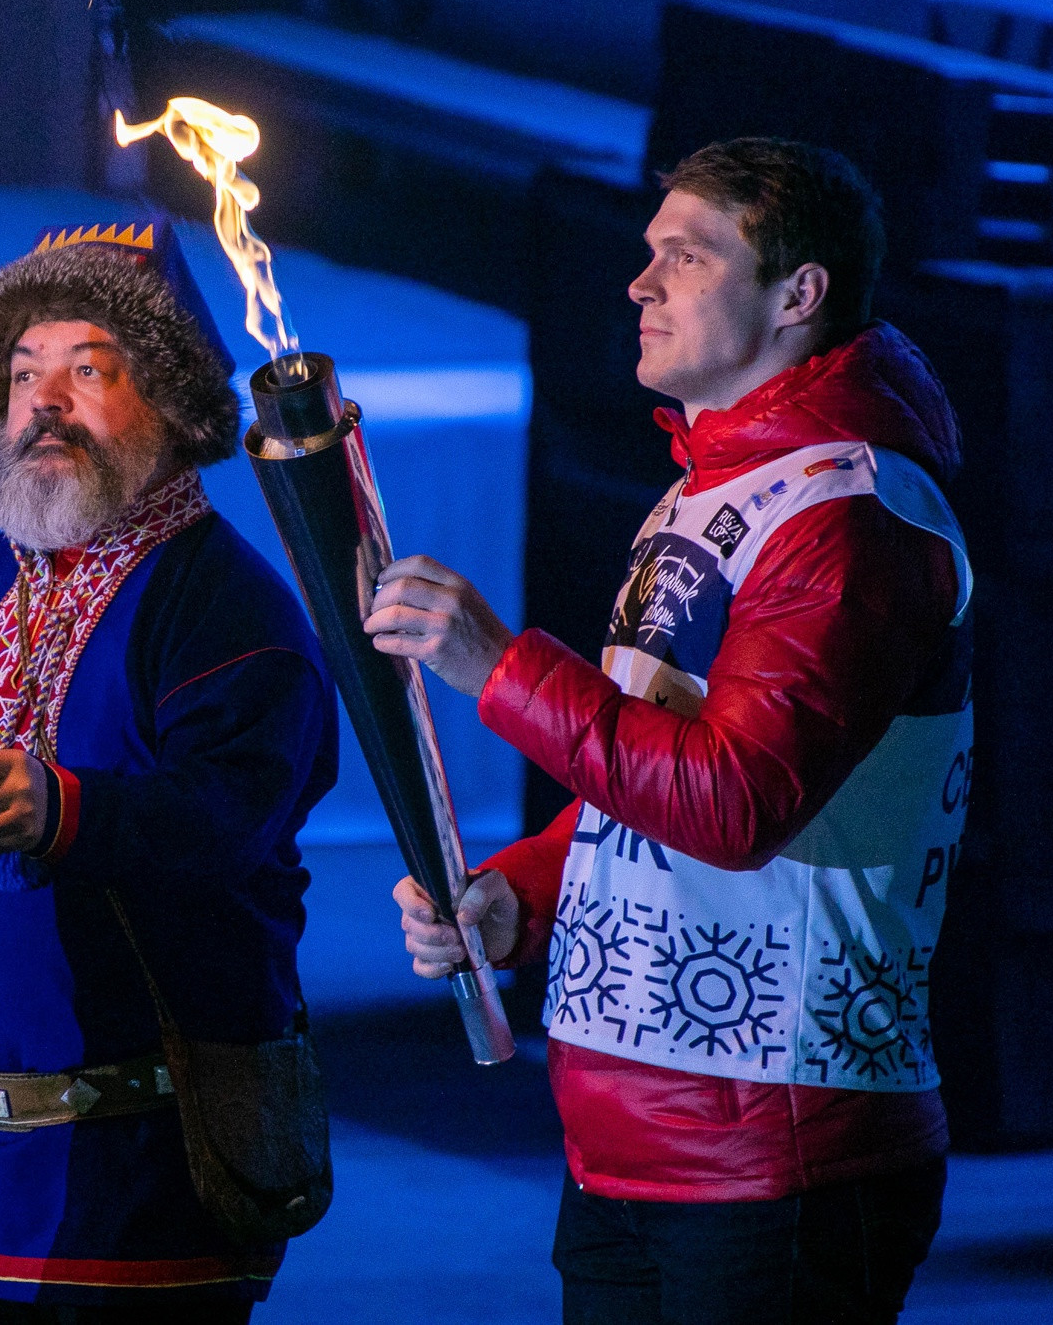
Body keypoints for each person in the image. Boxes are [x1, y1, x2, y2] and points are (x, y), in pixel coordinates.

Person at [371, 139, 973, 1324]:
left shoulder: (844, 514)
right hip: (632, 1136)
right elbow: (637, 799)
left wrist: (499, 668)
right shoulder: (706, 486)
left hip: (776, 1143)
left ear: (798, 295)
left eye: (685, 259)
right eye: (647, 255)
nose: (639, 285)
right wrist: (522, 895)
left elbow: (734, 803)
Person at [0, 220, 338, 1323]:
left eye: (89, 369)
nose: (44, 402)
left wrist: (64, 811)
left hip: (148, 1173)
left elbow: (228, 823)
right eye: (21, 371)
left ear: (181, 406)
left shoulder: (230, 614)